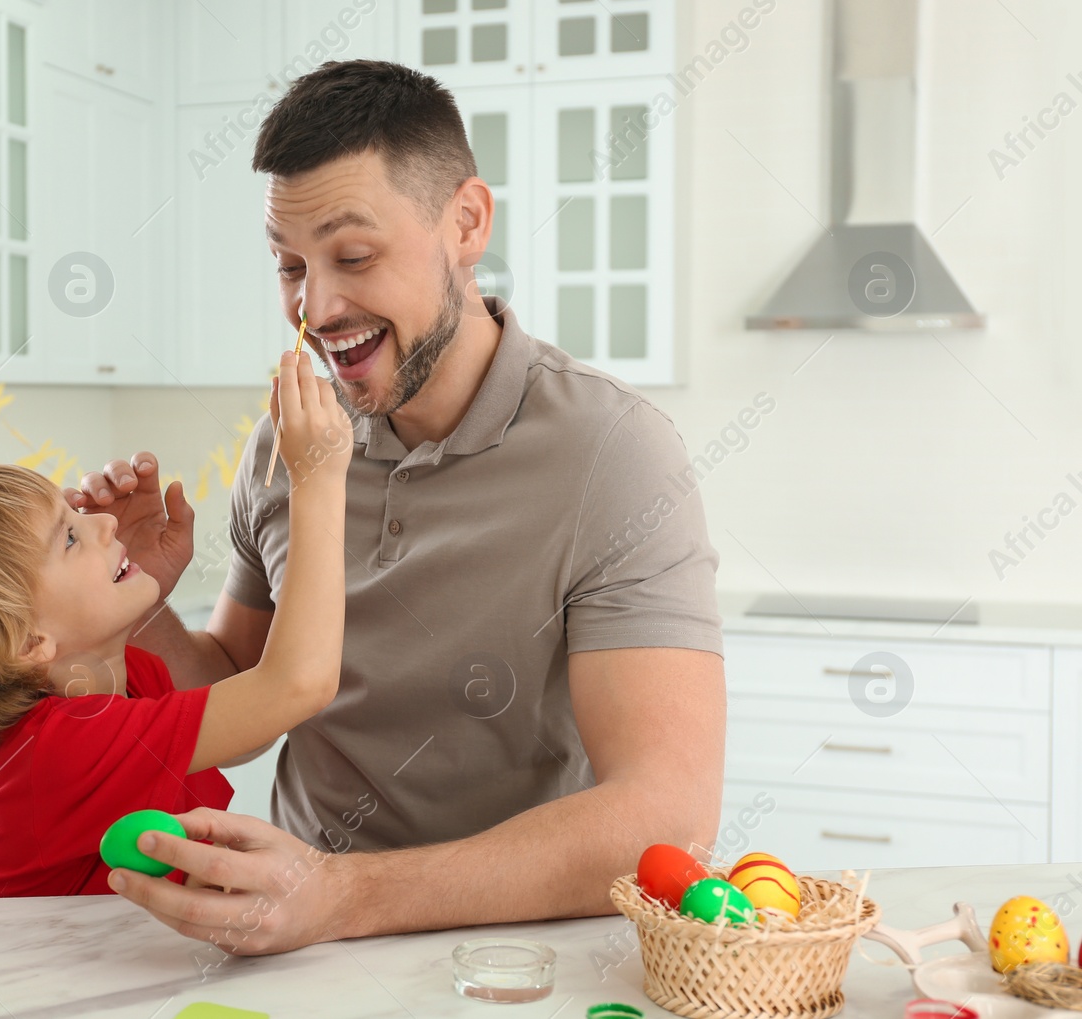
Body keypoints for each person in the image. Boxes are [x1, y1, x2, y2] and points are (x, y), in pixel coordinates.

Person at [65, 60, 727, 952]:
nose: (316, 307)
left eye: (354, 256)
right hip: (289, 942)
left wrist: (344, 894)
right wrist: (134, 602)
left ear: (466, 223)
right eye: (290, 266)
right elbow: (235, 699)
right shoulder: (287, 443)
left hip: (513, 952)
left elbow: (666, 817)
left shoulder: (615, 455)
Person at [0, 337, 352, 898]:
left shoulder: (133, 679)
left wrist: (142, 581)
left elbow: (237, 724)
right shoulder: (62, 748)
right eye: (70, 537)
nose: (105, 525)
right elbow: (295, 685)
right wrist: (318, 479)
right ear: (29, 641)